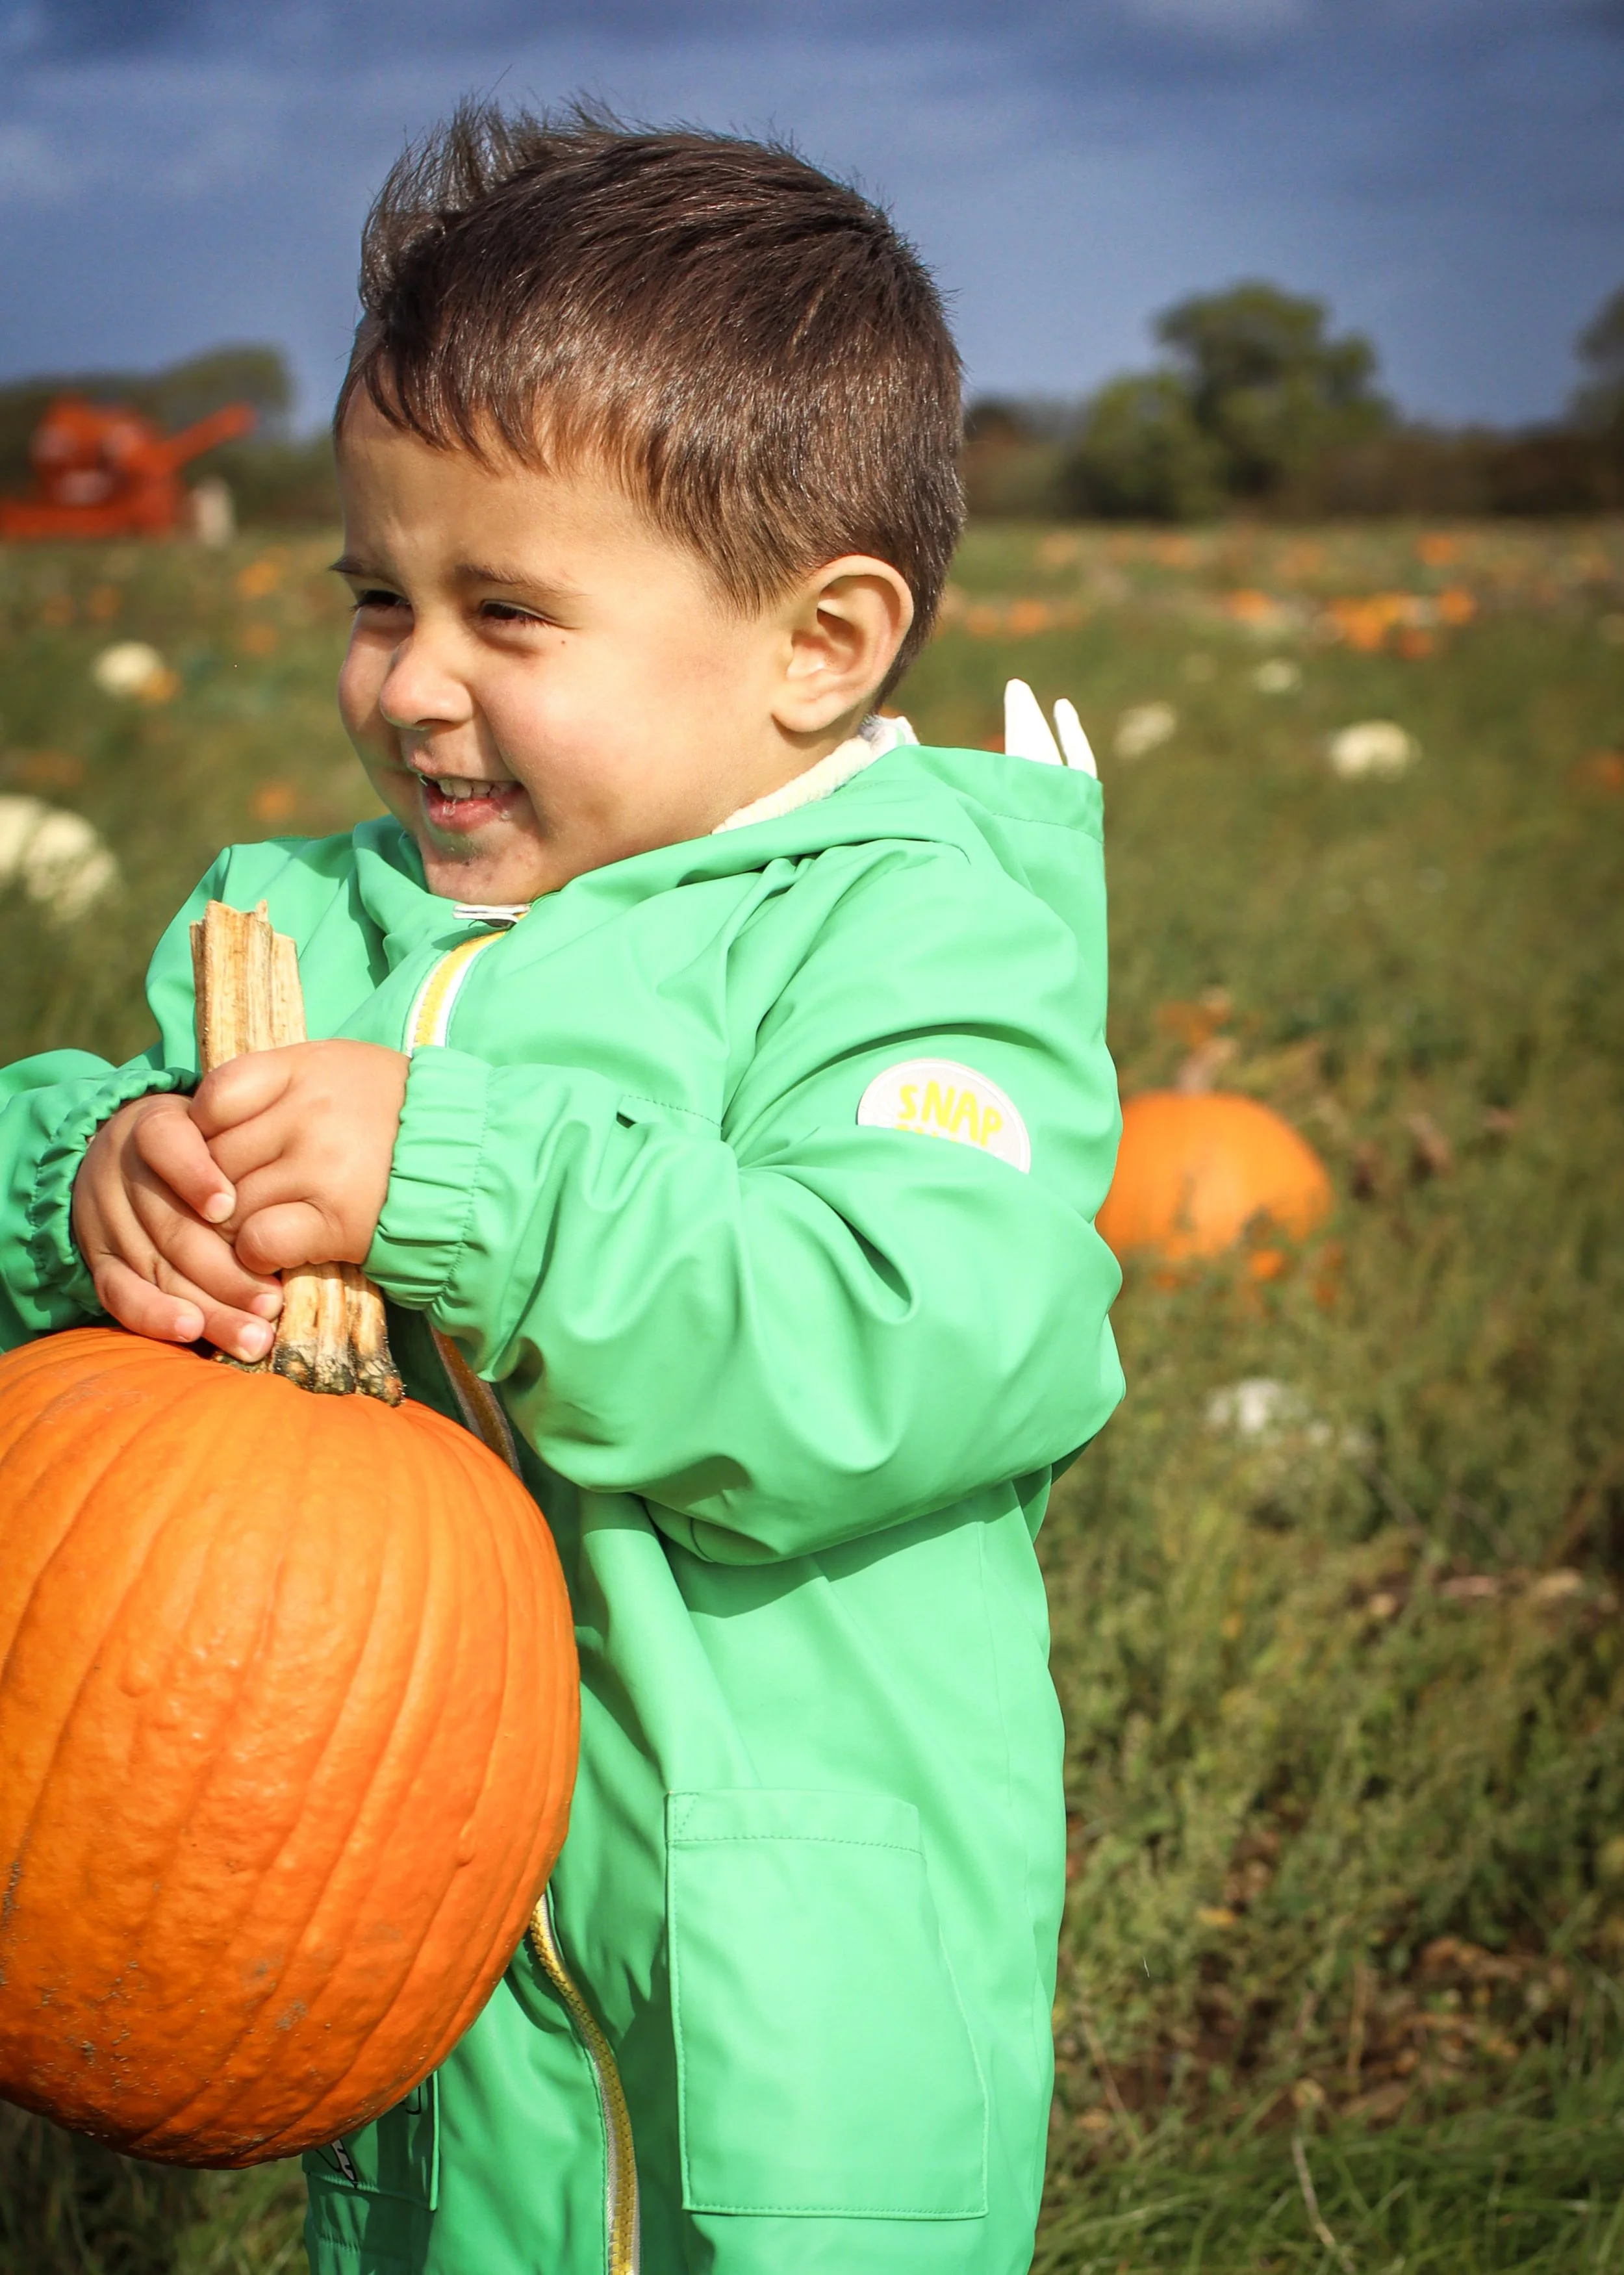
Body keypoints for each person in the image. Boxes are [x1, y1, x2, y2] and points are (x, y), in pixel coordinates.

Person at [0, 107, 1123, 2275]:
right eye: (376, 596)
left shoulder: (911, 948)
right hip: (387, 1938)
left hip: (780, 1998)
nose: (411, 682)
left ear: (820, 644)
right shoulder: (306, 931)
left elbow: (911, 1332)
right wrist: (91, 1184)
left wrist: (459, 1184)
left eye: (505, 610)